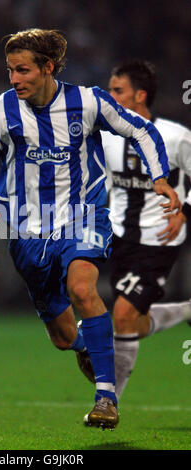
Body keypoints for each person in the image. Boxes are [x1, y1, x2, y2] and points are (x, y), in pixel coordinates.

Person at [0, 30, 180, 429]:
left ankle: (106, 399)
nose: (14, 79)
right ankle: (83, 343)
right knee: (60, 336)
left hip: (83, 216)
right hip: (25, 230)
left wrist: (159, 176)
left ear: (48, 68)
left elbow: (141, 130)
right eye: (9, 71)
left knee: (82, 288)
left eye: (22, 70)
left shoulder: (88, 101)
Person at [99, 59, 191, 400]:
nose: (109, 96)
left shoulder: (174, 136)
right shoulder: (106, 137)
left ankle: (108, 401)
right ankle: (184, 311)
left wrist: (185, 212)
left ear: (140, 95)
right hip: (121, 239)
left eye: (117, 90)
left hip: (159, 240)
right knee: (132, 323)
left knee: (122, 315)